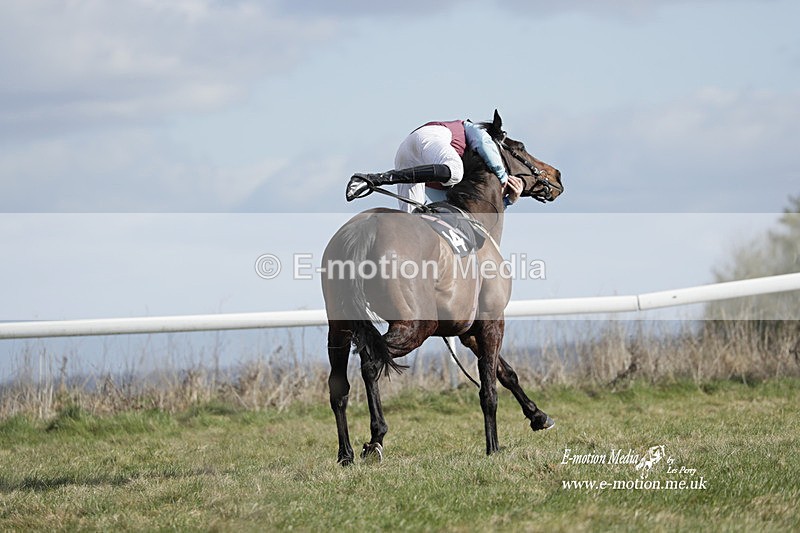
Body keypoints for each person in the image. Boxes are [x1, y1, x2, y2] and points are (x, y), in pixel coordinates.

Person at [346, 118, 524, 212]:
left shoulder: (444, 180)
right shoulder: (473, 129)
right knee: (456, 171)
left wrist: (506, 201)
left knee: (412, 222)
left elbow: (468, 211)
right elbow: (484, 144)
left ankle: (368, 181)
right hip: (429, 136)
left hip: (406, 155)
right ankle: (376, 179)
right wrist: (503, 178)